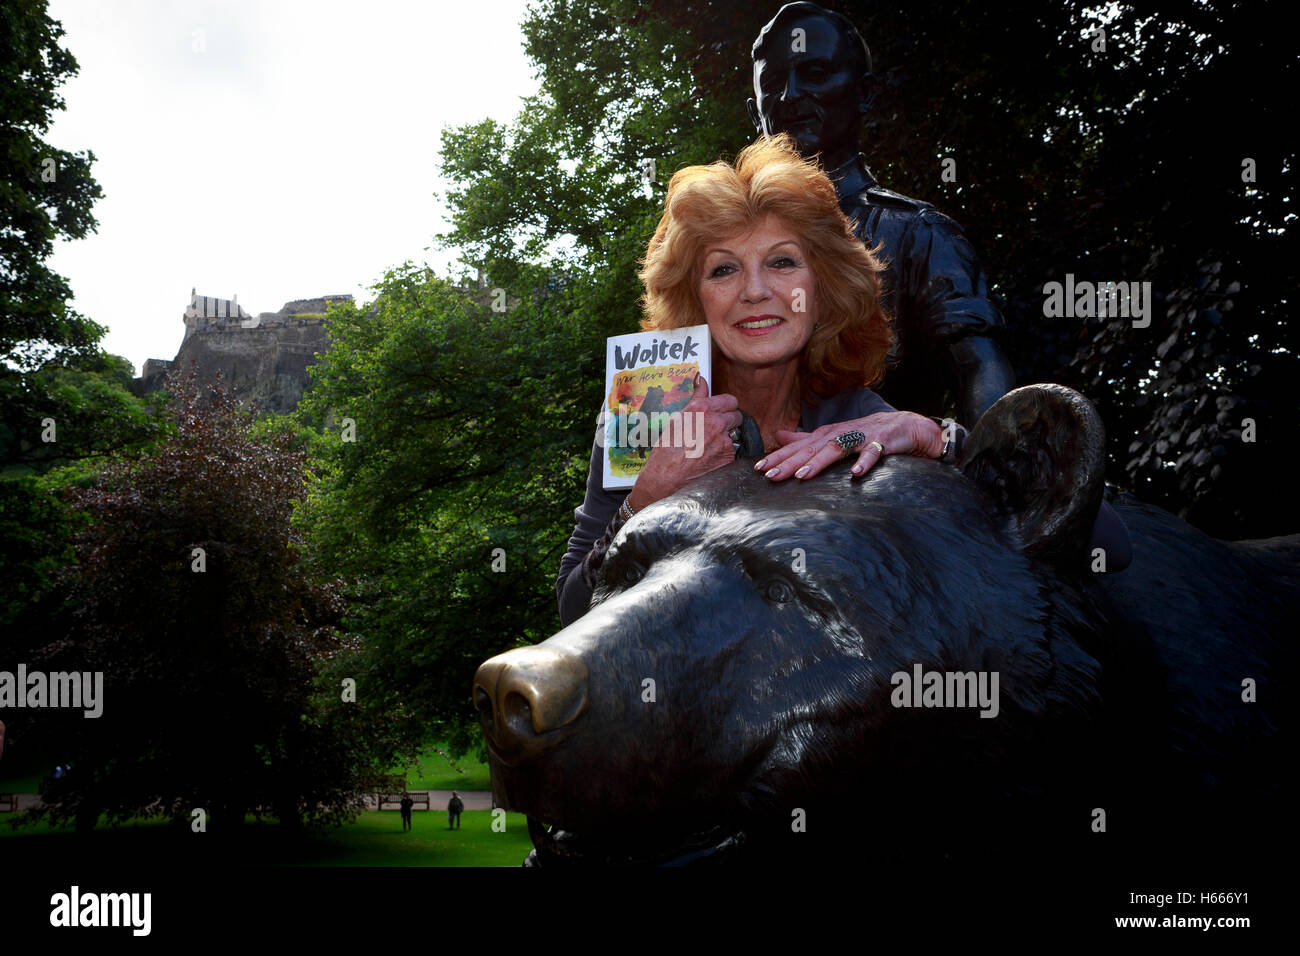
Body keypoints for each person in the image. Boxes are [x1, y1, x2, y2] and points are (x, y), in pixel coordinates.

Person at [558, 134, 953, 627]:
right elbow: (575, 613)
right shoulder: (644, 411)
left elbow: (998, 545)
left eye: (782, 262)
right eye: (723, 270)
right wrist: (643, 503)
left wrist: (935, 439)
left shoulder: (853, 416)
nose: (756, 291)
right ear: (694, 298)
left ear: (823, 285)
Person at [747, 2, 1015, 427]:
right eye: (775, 81)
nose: (791, 95)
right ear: (754, 110)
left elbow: (979, 376)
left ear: (864, 93)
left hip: (886, 486)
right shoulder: (716, 251)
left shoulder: (920, 235)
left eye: (815, 74)